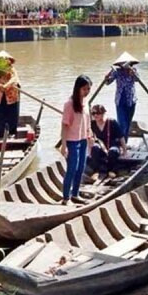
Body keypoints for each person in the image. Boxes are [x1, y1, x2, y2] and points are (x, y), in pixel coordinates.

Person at [61, 75, 94, 205]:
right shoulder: (69, 104)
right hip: (72, 141)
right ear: (78, 88)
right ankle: (66, 198)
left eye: (89, 89)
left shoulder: (85, 103)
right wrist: (64, 145)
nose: (87, 92)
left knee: (81, 168)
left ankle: (75, 194)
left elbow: (88, 122)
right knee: (72, 169)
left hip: (83, 140)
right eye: (85, 89)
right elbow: (64, 125)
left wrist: (90, 136)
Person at [105, 52, 139, 141]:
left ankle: (125, 143)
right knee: (122, 124)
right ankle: (120, 143)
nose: (125, 65)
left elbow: (137, 80)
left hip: (131, 101)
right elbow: (107, 83)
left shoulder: (133, 71)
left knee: (127, 123)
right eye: (123, 63)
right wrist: (107, 76)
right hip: (120, 101)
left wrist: (132, 73)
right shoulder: (117, 72)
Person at [88, 104, 127, 181]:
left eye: (98, 113)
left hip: (112, 145)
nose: (95, 115)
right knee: (95, 148)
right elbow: (88, 137)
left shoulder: (111, 122)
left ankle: (111, 170)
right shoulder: (92, 124)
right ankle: (97, 170)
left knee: (113, 151)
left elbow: (121, 137)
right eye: (93, 113)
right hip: (101, 147)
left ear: (103, 113)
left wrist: (125, 151)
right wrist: (89, 151)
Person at [0, 51, 20, 138]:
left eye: (5, 59)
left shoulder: (11, 69)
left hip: (11, 93)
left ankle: (11, 133)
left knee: (12, 113)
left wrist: (5, 85)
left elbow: (14, 78)